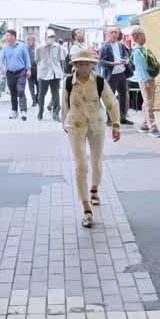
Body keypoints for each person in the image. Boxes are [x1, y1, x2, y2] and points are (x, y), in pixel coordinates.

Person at [63, 48, 121, 228]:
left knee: (96, 161)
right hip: (76, 126)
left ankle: (94, 189)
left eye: (86, 63)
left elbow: (111, 102)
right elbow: (64, 104)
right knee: (81, 166)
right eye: (79, 63)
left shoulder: (100, 81)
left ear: (91, 64)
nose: (83, 66)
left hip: (96, 125)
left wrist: (116, 124)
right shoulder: (67, 82)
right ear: (74, 65)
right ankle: (86, 207)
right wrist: (64, 124)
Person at [130, 26, 160, 137]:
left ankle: (145, 124)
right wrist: (148, 81)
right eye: (143, 35)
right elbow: (142, 68)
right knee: (149, 103)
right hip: (146, 80)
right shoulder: (138, 51)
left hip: (146, 79)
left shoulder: (140, 50)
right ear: (137, 37)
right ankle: (152, 128)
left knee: (147, 102)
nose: (145, 37)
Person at [99, 27, 134, 126]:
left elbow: (126, 56)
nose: (114, 34)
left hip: (122, 73)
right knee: (110, 97)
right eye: (112, 32)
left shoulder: (121, 45)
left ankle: (122, 117)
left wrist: (126, 60)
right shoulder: (105, 47)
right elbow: (101, 62)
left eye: (116, 32)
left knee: (124, 96)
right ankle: (109, 118)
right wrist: (112, 63)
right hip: (111, 75)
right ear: (107, 34)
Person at [0, 29, 31, 119]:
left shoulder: (22, 46)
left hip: (21, 72)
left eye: (7, 35)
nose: (6, 37)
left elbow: (27, 58)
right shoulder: (5, 47)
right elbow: (1, 58)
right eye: (6, 36)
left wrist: (28, 69)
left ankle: (23, 110)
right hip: (10, 73)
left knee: (20, 90)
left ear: (13, 36)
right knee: (13, 93)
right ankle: (14, 111)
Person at [35, 30, 67, 121]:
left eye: (53, 36)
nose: (51, 38)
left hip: (55, 73)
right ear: (45, 36)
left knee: (56, 94)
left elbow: (62, 60)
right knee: (41, 94)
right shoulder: (39, 48)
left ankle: (56, 113)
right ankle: (40, 111)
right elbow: (36, 60)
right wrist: (42, 67)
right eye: (49, 36)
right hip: (44, 73)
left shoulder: (58, 47)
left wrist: (62, 72)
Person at [26, 34, 40, 106]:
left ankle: (37, 98)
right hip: (29, 70)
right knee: (31, 86)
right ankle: (34, 100)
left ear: (34, 40)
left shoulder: (38, 48)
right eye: (27, 40)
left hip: (37, 70)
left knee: (39, 86)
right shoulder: (26, 48)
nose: (28, 41)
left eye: (29, 40)